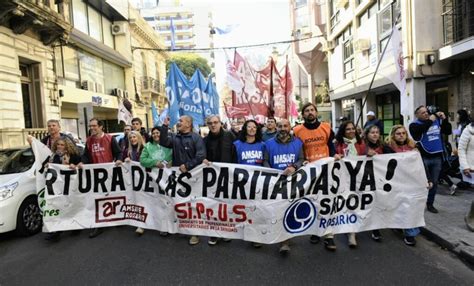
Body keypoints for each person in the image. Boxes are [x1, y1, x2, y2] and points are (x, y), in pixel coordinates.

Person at [293, 102, 339, 251]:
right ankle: (315, 231)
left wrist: (334, 156)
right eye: (307, 111)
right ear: (303, 114)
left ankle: (329, 236)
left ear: (316, 112)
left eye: (312, 110)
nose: (310, 112)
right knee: (312, 202)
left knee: (327, 203)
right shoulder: (297, 130)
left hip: (327, 170)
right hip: (309, 172)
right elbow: (296, 150)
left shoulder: (326, 127)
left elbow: (331, 147)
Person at [159, 115, 206, 245]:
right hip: (178, 177)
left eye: (181, 121)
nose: (178, 122)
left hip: (194, 177)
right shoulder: (175, 137)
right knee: (178, 202)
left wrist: (188, 166)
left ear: (188, 124)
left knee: (193, 205)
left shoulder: (196, 138)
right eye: (178, 120)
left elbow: (201, 155)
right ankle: (180, 227)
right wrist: (164, 126)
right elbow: (163, 142)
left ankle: (195, 233)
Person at [264, 119, 304, 254]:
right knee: (278, 210)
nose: (282, 128)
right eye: (280, 126)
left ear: (290, 127)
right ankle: (283, 241)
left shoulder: (298, 143)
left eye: (285, 126)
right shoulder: (268, 144)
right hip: (276, 183)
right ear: (276, 127)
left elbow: (302, 159)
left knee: (290, 210)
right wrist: (271, 174)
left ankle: (285, 237)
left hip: (294, 182)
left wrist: (294, 166)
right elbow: (265, 161)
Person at [79, 118, 123, 238]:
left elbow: (118, 153)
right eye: (90, 126)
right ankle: (98, 225)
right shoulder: (89, 141)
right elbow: (86, 156)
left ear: (101, 127)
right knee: (97, 199)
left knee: (112, 196)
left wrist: (119, 160)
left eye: (94, 126)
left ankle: (117, 218)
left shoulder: (110, 139)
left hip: (109, 174)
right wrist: (82, 162)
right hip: (95, 175)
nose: (92, 128)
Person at [409, 106, 451, 214]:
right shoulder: (414, 125)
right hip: (423, 157)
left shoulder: (436, 121)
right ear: (417, 115)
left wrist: (444, 119)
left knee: (435, 182)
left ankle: (430, 203)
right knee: (423, 182)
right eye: (422, 113)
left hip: (437, 157)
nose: (426, 114)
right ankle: (418, 203)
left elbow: (448, 131)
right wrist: (430, 121)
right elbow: (417, 134)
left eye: (427, 112)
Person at [202, 115, 236, 245]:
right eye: (210, 123)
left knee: (226, 204)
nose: (213, 125)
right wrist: (202, 159)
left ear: (220, 123)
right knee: (212, 205)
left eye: (215, 122)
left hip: (228, 176)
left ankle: (226, 231)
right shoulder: (205, 140)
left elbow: (235, 154)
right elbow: (201, 155)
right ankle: (214, 233)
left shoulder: (230, 136)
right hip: (212, 179)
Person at [385, 125, 420, 246]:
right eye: (398, 133)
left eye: (403, 133)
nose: (401, 135)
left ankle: (410, 233)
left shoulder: (413, 147)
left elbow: (421, 165)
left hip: (412, 182)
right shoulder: (388, 148)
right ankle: (399, 225)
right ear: (393, 135)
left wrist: (428, 179)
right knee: (400, 206)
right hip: (396, 182)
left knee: (410, 206)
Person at [233, 119, 266, 248]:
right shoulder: (236, 144)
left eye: (254, 127)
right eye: (249, 127)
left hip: (258, 182)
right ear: (245, 129)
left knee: (257, 208)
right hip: (242, 182)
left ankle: (256, 235)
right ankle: (246, 231)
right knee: (245, 208)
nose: (252, 129)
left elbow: (265, 163)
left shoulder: (263, 145)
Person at [334, 121, 366, 248]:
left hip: (358, 179)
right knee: (347, 204)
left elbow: (365, 158)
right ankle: (350, 233)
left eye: (353, 128)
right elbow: (332, 157)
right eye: (348, 129)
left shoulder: (361, 144)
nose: (351, 131)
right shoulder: (337, 144)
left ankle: (353, 228)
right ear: (343, 131)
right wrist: (335, 156)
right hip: (343, 179)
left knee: (357, 203)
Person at [43, 138, 82, 242]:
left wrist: (75, 166)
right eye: (58, 145)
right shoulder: (53, 156)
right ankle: (56, 232)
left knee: (71, 206)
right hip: (58, 188)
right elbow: (47, 167)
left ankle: (75, 226)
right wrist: (47, 165)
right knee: (59, 206)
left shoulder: (73, 156)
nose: (59, 146)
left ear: (67, 146)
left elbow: (82, 165)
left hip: (72, 187)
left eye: (62, 145)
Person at [139, 127, 173, 236]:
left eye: (157, 133)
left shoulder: (169, 144)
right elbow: (142, 160)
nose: (155, 135)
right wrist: (154, 162)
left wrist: (173, 161)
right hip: (155, 179)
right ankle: (163, 226)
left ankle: (172, 225)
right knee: (160, 202)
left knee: (170, 201)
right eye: (153, 133)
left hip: (169, 178)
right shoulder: (148, 146)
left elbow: (178, 155)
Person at [364, 125, 393, 242]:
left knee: (380, 203)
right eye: (372, 132)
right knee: (372, 203)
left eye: (377, 132)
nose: (375, 134)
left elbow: (397, 157)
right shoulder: (362, 147)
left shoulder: (384, 147)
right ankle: (375, 229)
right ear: (367, 134)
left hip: (381, 180)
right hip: (367, 180)